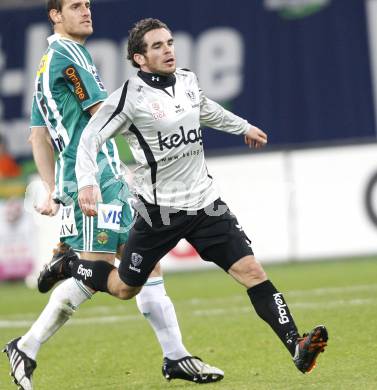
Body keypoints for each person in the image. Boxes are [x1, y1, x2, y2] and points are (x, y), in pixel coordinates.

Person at [72, 17, 329, 378]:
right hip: (158, 211)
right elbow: (89, 138)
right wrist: (87, 183)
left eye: (170, 43)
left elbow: (206, 110)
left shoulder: (188, 81)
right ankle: (70, 264)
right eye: (157, 46)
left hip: (206, 203)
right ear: (139, 59)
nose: (168, 50)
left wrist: (243, 127)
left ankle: (297, 345)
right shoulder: (129, 98)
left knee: (251, 270)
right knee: (124, 288)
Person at [3, 3, 223, 390]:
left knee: (145, 266)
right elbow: (107, 114)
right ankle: (39, 323)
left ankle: (175, 356)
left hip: (106, 177)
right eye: (75, 6)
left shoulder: (47, 63)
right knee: (99, 272)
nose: (86, 11)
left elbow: (37, 135)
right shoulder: (68, 56)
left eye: (87, 4)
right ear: (54, 15)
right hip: (95, 181)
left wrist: (55, 189)